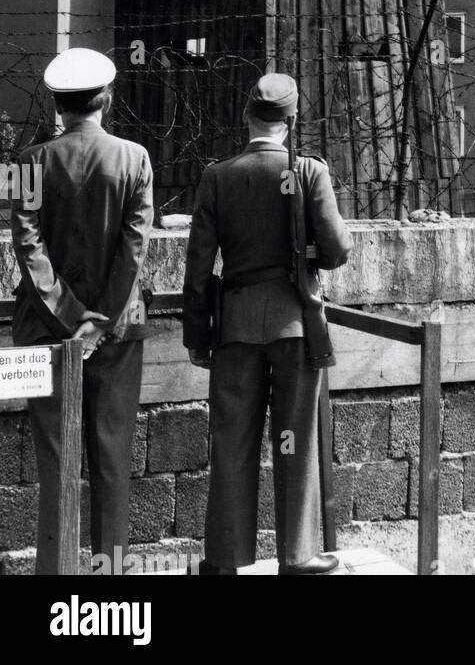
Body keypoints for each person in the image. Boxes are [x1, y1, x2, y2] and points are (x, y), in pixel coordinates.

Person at [183, 73, 352, 576]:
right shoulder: (308, 172)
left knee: (231, 440)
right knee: (294, 436)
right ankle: (297, 555)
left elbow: (198, 267)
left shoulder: (219, 175)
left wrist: (197, 334)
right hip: (296, 323)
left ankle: (223, 559)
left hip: (233, 327)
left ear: (246, 117)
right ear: (293, 121)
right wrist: (305, 256)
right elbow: (339, 250)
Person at [10, 48, 153, 575]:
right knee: (112, 462)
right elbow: (135, 248)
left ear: (56, 102)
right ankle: (108, 579)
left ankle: (55, 577)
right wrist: (101, 318)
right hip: (117, 334)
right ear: (107, 100)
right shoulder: (136, 157)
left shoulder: (21, 164)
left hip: (44, 333)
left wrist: (71, 316)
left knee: (55, 462)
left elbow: (25, 246)